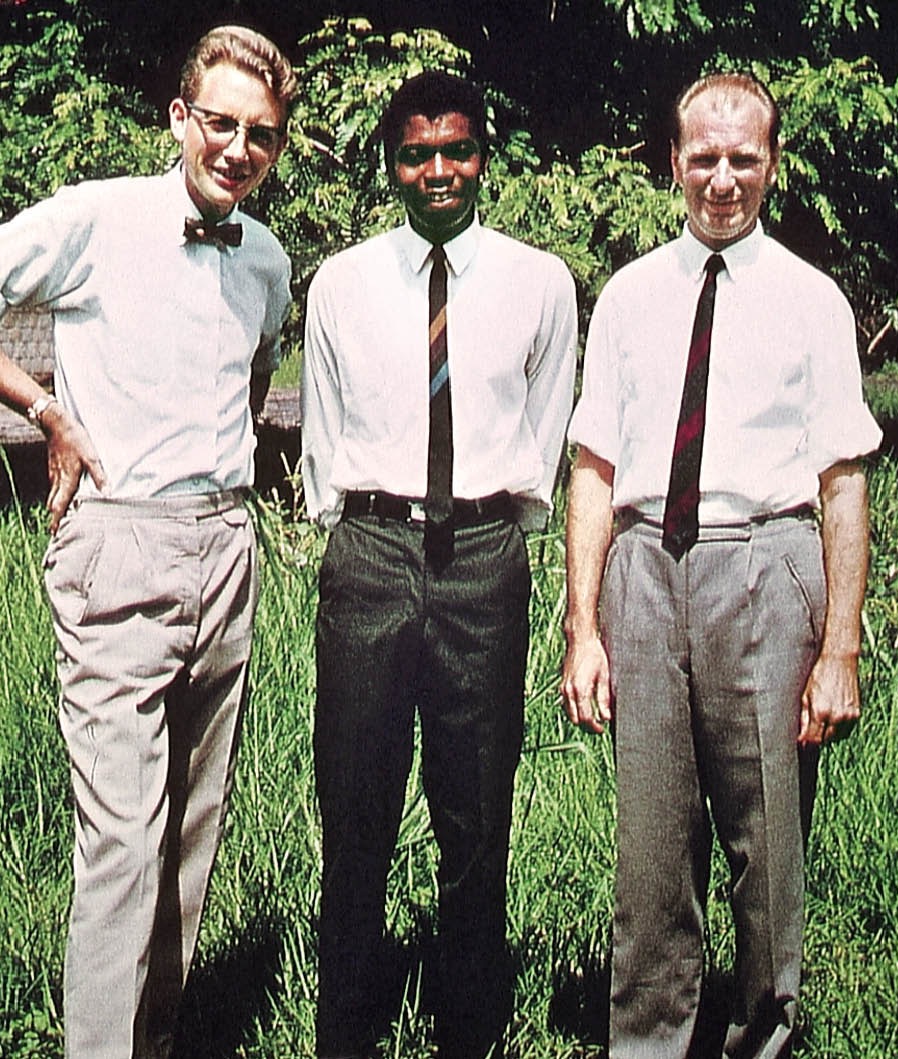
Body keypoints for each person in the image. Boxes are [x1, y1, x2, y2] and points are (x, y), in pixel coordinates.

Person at [561, 71, 881, 1058]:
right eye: (704, 157)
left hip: (766, 569)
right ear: (675, 162)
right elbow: (592, 464)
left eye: (744, 158)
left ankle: (761, 1034)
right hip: (645, 571)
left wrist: (839, 650)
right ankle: (650, 1037)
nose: (723, 178)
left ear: (772, 166)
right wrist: (583, 627)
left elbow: (843, 479)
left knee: (765, 842)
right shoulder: (628, 296)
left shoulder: (811, 300)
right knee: (653, 846)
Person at [0, 25, 295, 1058]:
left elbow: (255, 376)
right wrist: (46, 411)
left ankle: (153, 1042)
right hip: (117, 548)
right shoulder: (96, 218)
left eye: (260, 134)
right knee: (120, 845)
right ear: (179, 118)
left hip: (225, 550)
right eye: (219, 123)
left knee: (189, 837)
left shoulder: (266, 258)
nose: (237, 148)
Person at [301, 70, 577, 1059]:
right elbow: (323, 429)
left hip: (484, 559)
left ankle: (471, 1031)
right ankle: (345, 1033)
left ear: (482, 156)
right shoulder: (340, 281)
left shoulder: (540, 281)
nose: (439, 169)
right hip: (370, 551)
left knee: (475, 815)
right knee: (358, 805)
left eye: (456, 148)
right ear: (392, 163)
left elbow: (547, 429)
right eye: (417, 152)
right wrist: (359, 523)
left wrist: (499, 522)